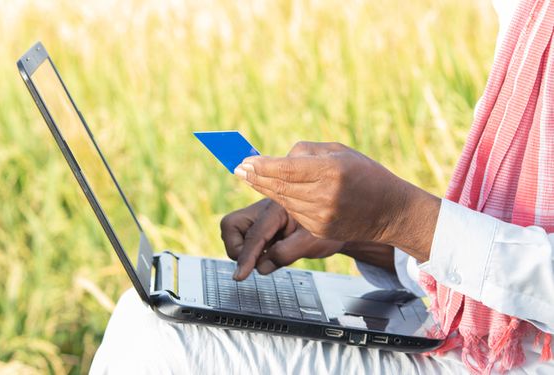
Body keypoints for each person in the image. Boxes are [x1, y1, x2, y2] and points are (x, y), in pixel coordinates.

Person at [90, 0, 553, 373]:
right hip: (489, 334)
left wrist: (405, 219)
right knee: (145, 316)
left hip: (516, 355)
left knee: (158, 338)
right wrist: (368, 232)